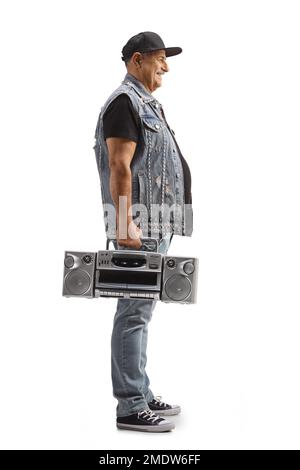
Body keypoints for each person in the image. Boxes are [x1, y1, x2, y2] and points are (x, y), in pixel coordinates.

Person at [93, 31, 193, 432]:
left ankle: (141, 391)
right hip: (141, 224)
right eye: (159, 59)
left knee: (142, 312)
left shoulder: (145, 103)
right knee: (133, 313)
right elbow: (119, 165)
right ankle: (131, 406)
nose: (165, 66)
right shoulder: (125, 102)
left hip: (155, 222)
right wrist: (124, 224)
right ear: (137, 60)